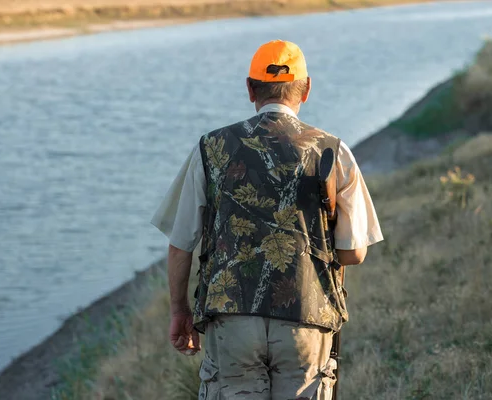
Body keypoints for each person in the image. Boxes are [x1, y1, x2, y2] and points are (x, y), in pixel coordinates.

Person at [151, 39, 383, 399]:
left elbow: (180, 245)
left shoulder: (210, 147)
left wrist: (179, 311)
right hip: (307, 317)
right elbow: (353, 254)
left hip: (231, 318)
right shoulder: (333, 151)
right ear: (306, 89)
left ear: (249, 89)